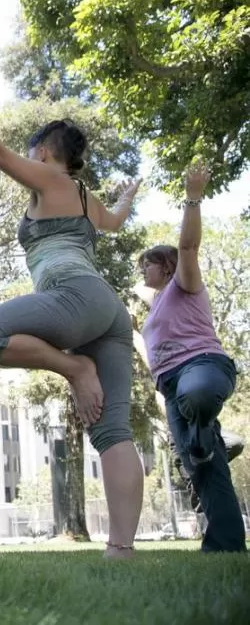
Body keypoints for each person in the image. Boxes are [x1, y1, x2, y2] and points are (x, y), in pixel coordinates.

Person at [0, 49, 144, 558]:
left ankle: (72, 365)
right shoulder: (86, 197)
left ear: (41, 152)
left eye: (30, 149)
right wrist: (126, 196)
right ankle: (121, 551)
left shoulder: (49, 178)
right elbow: (116, 221)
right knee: (114, 431)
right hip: (108, 311)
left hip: (72, 296)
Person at [138, 164, 246, 553]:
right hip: (169, 386)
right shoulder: (154, 311)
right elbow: (147, 349)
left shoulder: (184, 284)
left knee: (197, 394)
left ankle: (207, 429)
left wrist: (193, 196)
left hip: (202, 366)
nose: (143, 270)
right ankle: (226, 543)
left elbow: (188, 247)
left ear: (165, 264)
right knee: (201, 466)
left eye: (147, 263)